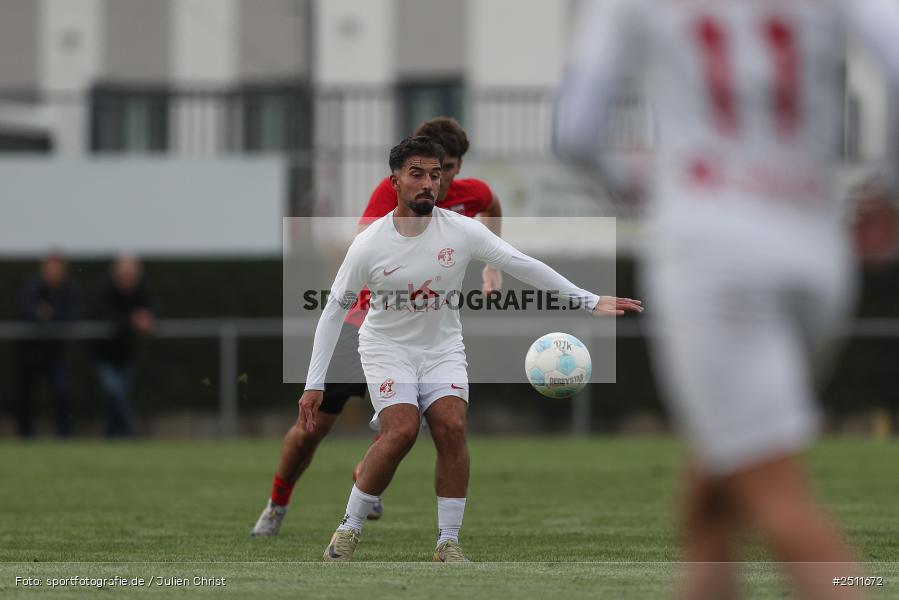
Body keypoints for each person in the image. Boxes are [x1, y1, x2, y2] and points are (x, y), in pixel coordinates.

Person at [553, 1, 899, 598]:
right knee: (713, 492)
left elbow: (576, 130)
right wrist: (889, 183)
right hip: (817, 248)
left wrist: (634, 179)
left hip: (714, 253)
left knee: (774, 495)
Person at [298, 136, 642, 562]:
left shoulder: (461, 231)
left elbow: (521, 263)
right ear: (396, 181)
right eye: (417, 174)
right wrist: (314, 383)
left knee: (451, 427)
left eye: (435, 175)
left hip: (442, 347)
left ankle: (447, 542)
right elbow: (333, 312)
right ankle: (348, 529)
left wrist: (589, 300)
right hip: (386, 347)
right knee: (401, 432)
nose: (428, 183)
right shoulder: (369, 245)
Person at [252, 118, 504, 537]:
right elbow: (364, 245)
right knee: (313, 429)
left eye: (452, 169)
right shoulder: (394, 196)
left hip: (418, 333)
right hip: (363, 325)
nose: (446, 180)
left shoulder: (467, 194)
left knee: (413, 421)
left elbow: (493, 207)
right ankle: (277, 503)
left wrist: (492, 266)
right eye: (437, 168)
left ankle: (370, 474)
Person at [14, 253, 79, 437]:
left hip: (54, 354)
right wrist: (41, 314)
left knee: (62, 392)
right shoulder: (32, 286)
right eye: (50, 269)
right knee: (26, 397)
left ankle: (65, 436)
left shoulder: (69, 289)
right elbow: (25, 312)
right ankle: (25, 437)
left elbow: (72, 316)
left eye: (57, 269)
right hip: (28, 353)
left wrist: (49, 314)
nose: (53, 273)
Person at [92, 255, 154, 437]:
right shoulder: (105, 290)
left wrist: (147, 317)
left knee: (118, 395)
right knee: (115, 392)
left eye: (131, 272)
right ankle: (131, 430)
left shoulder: (140, 290)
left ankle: (111, 435)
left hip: (126, 354)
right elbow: (105, 315)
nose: (128, 276)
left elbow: (152, 309)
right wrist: (132, 320)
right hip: (103, 353)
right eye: (124, 272)